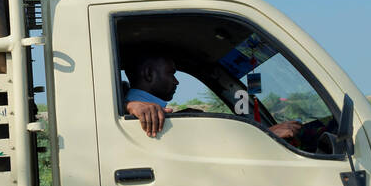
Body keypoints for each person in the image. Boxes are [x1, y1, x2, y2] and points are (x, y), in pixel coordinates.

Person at [123, 52, 303, 142]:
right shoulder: (142, 114)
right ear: (148, 74)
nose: (176, 81)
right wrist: (265, 136)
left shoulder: (134, 107)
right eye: (170, 73)